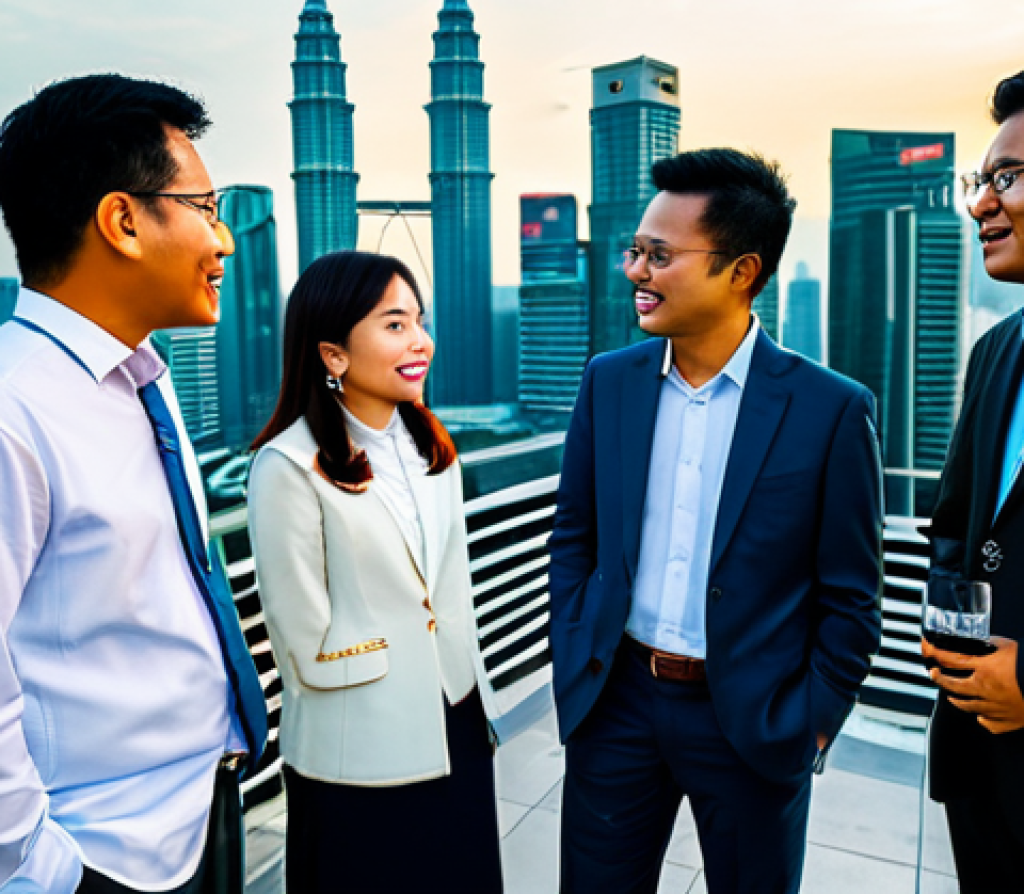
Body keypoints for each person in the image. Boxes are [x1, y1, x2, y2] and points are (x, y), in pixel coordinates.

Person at [548, 148, 884, 894]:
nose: (635, 271)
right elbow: (574, 536)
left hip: (753, 721)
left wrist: (810, 724)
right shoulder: (610, 383)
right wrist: (575, 655)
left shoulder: (829, 410)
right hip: (617, 706)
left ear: (741, 271)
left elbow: (853, 596)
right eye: (634, 250)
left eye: (659, 255)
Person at [0, 74, 268, 894]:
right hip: (102, 854)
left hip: (194, 811)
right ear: (122, 220)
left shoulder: (141, 378)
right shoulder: (15, 410)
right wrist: (52, 874)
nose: (224, 241)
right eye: (206, 207)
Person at [247, 250, 503, 894]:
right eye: (394, 325)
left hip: (455, 719)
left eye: (419, 321)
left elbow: (448, 590)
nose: (420, 341)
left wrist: (463, 687)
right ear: (333, 355)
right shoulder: (286, 466)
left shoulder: (431, 447)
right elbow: (302, 639)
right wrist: (395, 661)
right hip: (358, 745)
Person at [921, 69, 1024, 892]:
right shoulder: (996, 350)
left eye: (1008, 179)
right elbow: (958, 523)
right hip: (980, 768)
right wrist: (955, 641)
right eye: (982, 180)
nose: (980, 203)